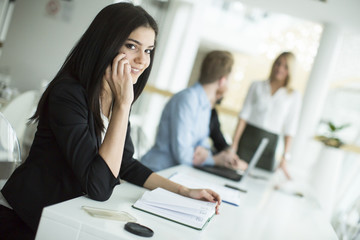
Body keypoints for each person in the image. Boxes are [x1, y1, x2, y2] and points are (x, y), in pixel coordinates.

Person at [0, 3, 220, 239]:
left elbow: (124, 163)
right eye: (132, 46)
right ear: (105, 43)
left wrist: (182, 191)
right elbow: (99, 186)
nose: (142, 61)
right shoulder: (69, 94)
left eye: (148, 50)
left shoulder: (115, 96)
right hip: (23, 219)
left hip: (63, 216)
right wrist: (124, 106)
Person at [141, 50, 247, 172]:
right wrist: (215, 160)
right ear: (222, 81)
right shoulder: (188, 100)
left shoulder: (206, 104)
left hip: (179, 173)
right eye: (229, 80)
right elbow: (184, 156)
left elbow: (203, 144)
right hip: (157, 171)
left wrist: (205, 152)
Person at [231, 52, 302, 179]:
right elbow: (243, 116)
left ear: (290, 71)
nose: (279, 69)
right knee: (235, 175)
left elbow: (290, 128)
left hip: (269, 146)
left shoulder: (293, 96)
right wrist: (234, 145)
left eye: (285, 67)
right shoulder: (256, 85)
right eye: (278, 63)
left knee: (259, 183)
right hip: (248, 139)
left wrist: (285, 157)